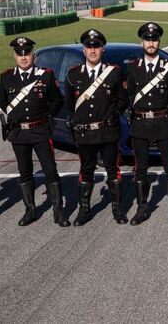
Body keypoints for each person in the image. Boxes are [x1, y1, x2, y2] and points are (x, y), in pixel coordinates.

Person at [0, 37, 69, 227]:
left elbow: (57, 100)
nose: (23, 57)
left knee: (50, 170)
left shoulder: (45, 76)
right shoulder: (6, 77)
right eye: (19, 54)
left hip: (40, 131)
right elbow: (2, 101)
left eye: (27, 53)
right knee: (25, 172)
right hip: (19, 133)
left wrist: (47, 116)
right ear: (14, 55)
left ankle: (58, 211)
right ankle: (30, 210)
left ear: (33, 55)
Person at [65, 29, 128, 226]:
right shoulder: (73, 74)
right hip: (85, 133)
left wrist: (108, 117)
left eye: (96, 47)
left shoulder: (115, 72)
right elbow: (69, 103)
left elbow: (122, 100)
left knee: (112, 169)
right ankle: (84, 210)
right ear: (84, 50)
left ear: (103, 49)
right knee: (86, 170)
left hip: (107, 131)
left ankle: (118, 209)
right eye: (89, 47)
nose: (93, 51)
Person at [125, 22, 168, 226]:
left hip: (162, 123)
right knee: (140, 167)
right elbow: (130, 95)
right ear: (142, 42)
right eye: (148, 39)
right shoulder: (132, 67)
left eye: (154, 39)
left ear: (159, 42)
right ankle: (142, 209)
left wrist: (166, 114)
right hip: (140, 123)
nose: (151, 43)